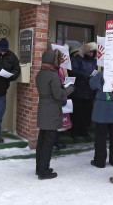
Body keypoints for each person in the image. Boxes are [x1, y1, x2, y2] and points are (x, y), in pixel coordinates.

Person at [35, 50, 74, 180]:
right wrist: (69, 89)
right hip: (51, 109)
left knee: (42, 141)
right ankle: (44, 171)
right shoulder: (53, 75)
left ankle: (39, 167)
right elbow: (59, 95)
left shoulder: (40, 74)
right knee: (48, 143)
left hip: (43, 107)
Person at [89, 72, 113, 168]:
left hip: (101, 109)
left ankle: (99, 161)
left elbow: (92, 85)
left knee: (100, 137)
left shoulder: (100, 74)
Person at [69, 42, 97, 138]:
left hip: (89, 90)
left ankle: (84, 130)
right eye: (89, 52)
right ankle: (74, 131)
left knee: (86, 112)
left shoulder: (93, 61)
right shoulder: (77, 59)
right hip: (78, 90)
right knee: (77, 112)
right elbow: (72, 70)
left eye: (92, 52)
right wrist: (83, 75)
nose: (91, 54)